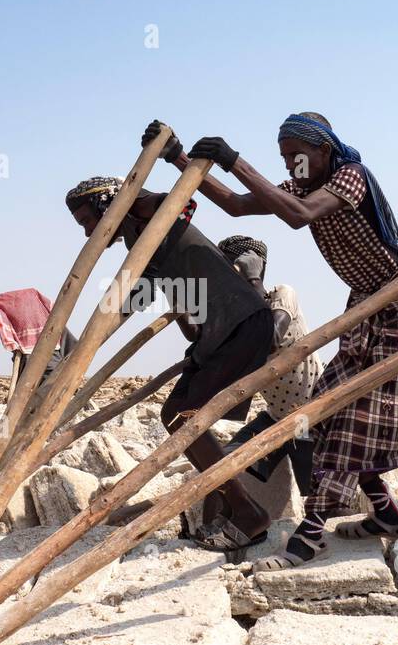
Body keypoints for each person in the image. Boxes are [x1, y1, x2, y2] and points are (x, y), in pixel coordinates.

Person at [145, 115, 398, 570]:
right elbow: (235, 206)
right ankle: (388, 514)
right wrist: (181, 161)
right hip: (366, 304)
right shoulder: (304, 186)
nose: (291, 163)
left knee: (351, 416)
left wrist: (234, 160)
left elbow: (299, 217)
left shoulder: (351, 177)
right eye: (285, 157)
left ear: (324, 148)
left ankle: (312, 534)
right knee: (326, 413)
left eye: (297, 154)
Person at [65, 176, 273, 551]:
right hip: (216, 335)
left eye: (87, 222)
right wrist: (82, 351)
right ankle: (234, 506)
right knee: (174, 414)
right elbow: (128, 304)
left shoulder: (150, 215)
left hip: (241, 322)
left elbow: (178, 201)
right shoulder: (142, 248)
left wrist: (143, 184)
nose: (87, 235)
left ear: (109, 205)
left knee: (185, 415)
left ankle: (248, 512)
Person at [216, 235, 322, 492]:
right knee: (222, 466)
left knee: (315, 497)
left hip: (309, 418)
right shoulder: (240, 316)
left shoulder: (282, 295)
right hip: (275, 417)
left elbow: (271, 339)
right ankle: (232, 525)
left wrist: (253, 279)